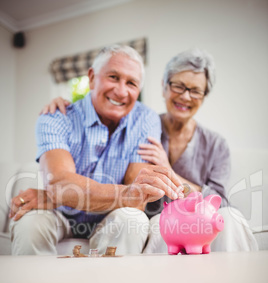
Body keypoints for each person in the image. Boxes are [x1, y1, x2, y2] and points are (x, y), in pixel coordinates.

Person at [40, 48, 258, 253]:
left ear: (203, 96)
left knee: (230, 217)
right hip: (158, 218)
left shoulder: (215, 145)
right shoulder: (141, 126)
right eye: (178, 86)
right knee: (154, 227)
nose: (185, 96)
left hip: (197, 220)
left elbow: (220, 202)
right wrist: (71, 107)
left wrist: (168, 170)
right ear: (164, 86)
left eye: (196, 91)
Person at [9, 44, 183, 255]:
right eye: (113, 77)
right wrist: (60, 193)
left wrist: (59, 194)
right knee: (30, 223)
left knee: (131, 218)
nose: (121, 91)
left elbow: (137, 198)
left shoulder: (145, 119)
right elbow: (60, 182)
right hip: (60, 214)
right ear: (92, 77)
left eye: (131, 83)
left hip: (110, 215)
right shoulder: (55, 116)